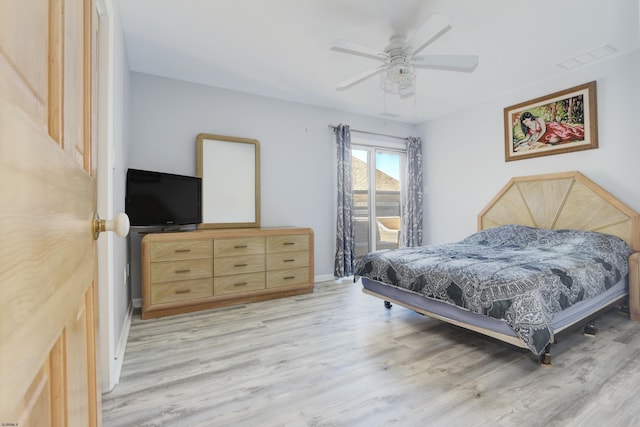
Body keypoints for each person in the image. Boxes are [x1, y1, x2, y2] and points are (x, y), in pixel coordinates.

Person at [516, 111, 585, 150]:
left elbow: (543, 130)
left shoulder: (538, 120)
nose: (525, 123)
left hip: (550, 130)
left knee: (565, 134)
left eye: (526, 121)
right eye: (524, 123)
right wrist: (519, 142)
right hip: (542, 136)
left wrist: (535, 140)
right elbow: (527, 138)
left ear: (530, 118)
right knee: (552, 141)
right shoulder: (528, 128)